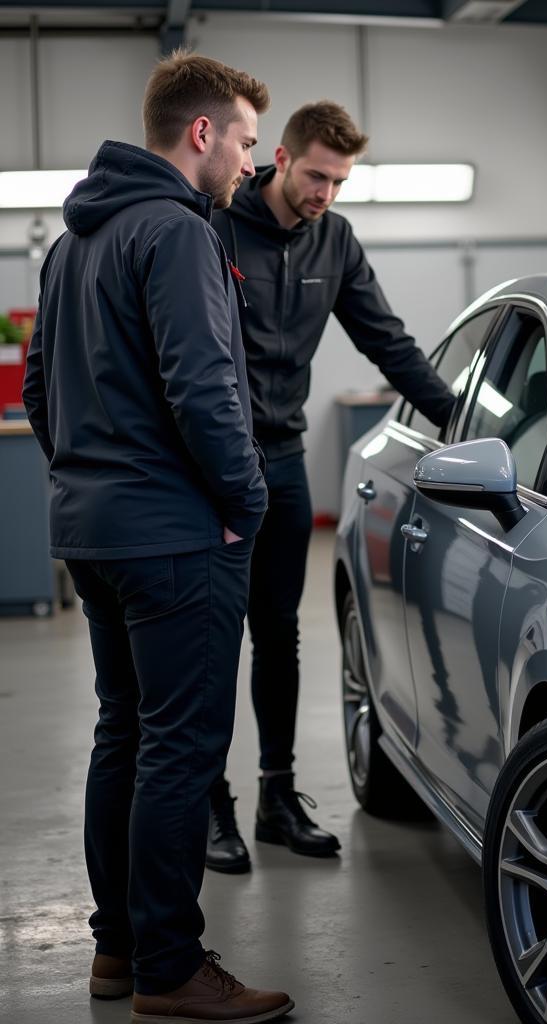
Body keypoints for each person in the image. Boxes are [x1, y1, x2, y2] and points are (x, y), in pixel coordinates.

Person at [22, 51, 294, 1023]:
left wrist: (86, 478)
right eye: (247, 143)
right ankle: (171, 969)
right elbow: (203, 387)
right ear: (201, 133)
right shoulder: (177, 234)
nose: (250, 166)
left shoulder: (71, 244)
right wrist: (246, 501)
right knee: (181, 748)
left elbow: (34, 387)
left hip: (94, 533)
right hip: (176, 538)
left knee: (124, 734)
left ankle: (118, 949)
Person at [205, 100, 454, 872]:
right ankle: (212, 804)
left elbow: (389, 341)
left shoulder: (334, 240)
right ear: (280, 157)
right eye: (317, 175)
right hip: (212, 463)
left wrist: (466, 418)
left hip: (280, 457)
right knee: (213, 637)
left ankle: (277, 796)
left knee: (278, 630)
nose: (326, 194)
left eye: (340, 182)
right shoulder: (215, 228)